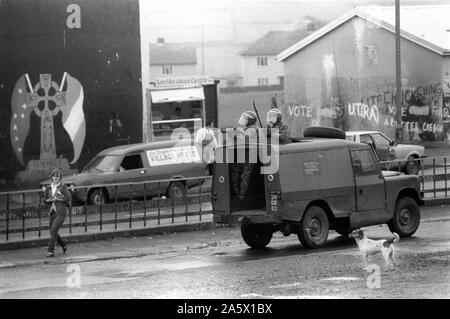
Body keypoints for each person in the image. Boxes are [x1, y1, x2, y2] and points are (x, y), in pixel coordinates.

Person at [43, 168, 71, 257]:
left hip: (61, 212)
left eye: (57, 176)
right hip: (52, 212)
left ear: (60, 178)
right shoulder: (48, 188)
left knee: (54, 229)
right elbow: (44, 200)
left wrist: (58, 198)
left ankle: (50, 251)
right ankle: (63, 245)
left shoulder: (63, 187)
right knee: (52, 232)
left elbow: (67, 198)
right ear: (52, 177)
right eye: (54, 176)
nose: (55, 178)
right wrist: (49, 200)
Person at [231, 111, 259, 202]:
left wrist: (236, 134)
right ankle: (237, 194)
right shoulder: (248, 129)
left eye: (245, 119)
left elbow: (244, 141)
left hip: (249, 157)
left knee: (244, 177)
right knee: (237, 174)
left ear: (250, 121)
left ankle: (241, 198)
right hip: (244, 156)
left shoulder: (252, 129)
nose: (243, 120)